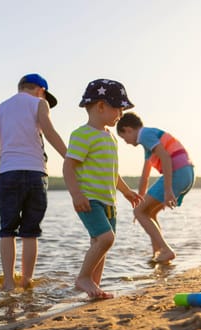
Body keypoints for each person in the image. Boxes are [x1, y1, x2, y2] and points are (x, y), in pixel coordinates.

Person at [0, 73, 67, 291]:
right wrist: (70, 159)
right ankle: (26, 281)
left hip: (8, 173)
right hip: (35, 173)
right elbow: (50, 133)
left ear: (20, 88)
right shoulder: (40, 103)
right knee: (30, 232)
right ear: (41, 90)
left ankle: (8, 283)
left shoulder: (1, 108)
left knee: (7, 230)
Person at [63, 79, 143, 299]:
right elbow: (68, 166)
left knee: (101, 244)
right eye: (118, 107)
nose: (121, 113)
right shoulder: (82, 134)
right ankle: (83, 278)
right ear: (100, 106)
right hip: (89, 199)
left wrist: (126, 191)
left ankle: (94, 287)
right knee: (106, 238)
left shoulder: (110, 137)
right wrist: (76, 194)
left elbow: (112, 172)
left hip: (109, 201)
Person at [116, 112, 195, 263]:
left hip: (177, 173)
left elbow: (165, 157)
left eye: (123, 137)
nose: (125, 142)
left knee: (140, 212)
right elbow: (145, 176)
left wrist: (167, 190)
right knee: (147, 211)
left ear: (128, 129)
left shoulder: (144, 135)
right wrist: (140, 202)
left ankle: (166, 250)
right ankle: (158, 253)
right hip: (187, 173)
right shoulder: (149, 142)